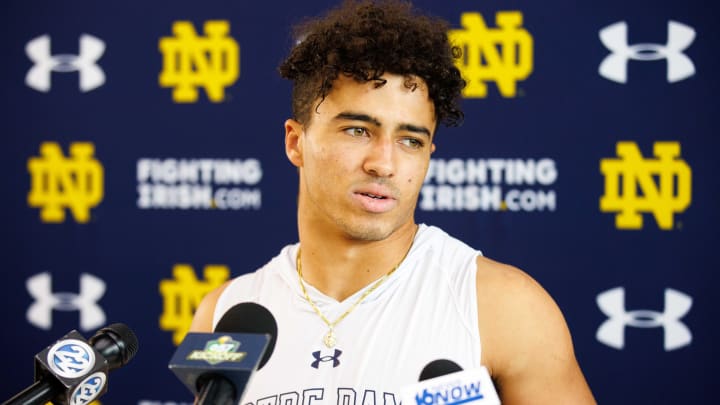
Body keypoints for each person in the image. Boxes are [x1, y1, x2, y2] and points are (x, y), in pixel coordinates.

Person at [190, 1, 596, 403]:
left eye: (410, 141)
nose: (384, 163)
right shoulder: (226, 314)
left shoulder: (503, 307)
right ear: (296, 142)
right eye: (357, 130)